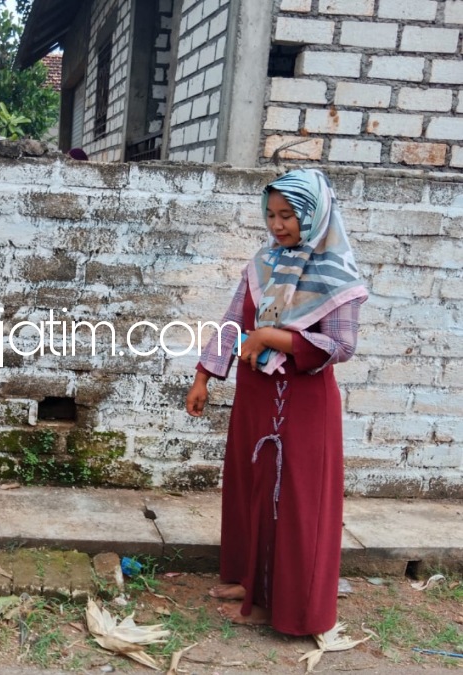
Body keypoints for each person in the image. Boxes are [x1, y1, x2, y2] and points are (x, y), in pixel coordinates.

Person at [185, 168, 368, 636]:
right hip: (255, 398)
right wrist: (204, 376)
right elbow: (232, 322)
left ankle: (284, 605)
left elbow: (341, 347)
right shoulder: (263, 263)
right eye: (270, 214)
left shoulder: (336, 274)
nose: (277, 224)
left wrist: (271, 335)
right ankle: (251, 584)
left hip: (304, 406)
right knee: (253, 489)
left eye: (288, 215)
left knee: (293, 503)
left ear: (314, 214)